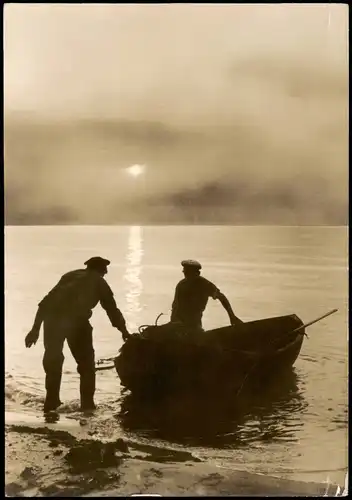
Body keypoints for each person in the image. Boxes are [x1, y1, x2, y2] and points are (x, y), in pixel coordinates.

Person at [25, 256, 130, 413]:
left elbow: (46, 302)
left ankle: (51, 402)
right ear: (100, 269)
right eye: (105, 269)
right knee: (87, 365)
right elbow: (111, 309)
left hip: (52, 321)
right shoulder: (98, 281)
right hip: (76, 323)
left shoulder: (69, 276)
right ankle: (87, 406)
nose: (106, 272)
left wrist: (35, 329)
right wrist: (124, 331)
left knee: (53, 360)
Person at [170, 259, 242, 331]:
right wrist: (173, 322)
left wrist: (232, 316)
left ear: (197, 273)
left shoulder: (204, 284)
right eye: (185, 271)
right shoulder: (181, 285)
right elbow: (175, 306)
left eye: (187, 272)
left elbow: (221, 297)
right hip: (178, 325)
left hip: (194, 326)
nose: (184, 273)